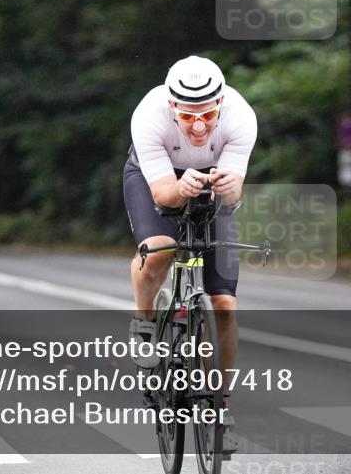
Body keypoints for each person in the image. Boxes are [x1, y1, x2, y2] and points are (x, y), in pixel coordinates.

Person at [124, 55, 257, 452]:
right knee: (160, 250)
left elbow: (235, 193)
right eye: (188, 118)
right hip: (158, 177)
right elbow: (163, 194)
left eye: (207, 116)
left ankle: (221, 405)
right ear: (172, 109)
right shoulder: (148, 115)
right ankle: (145, 322)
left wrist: (228, 185)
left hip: (212, 183)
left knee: (224, 305)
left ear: (220, 106)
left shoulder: (240, 117)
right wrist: (182, 188)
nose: (199, 127)